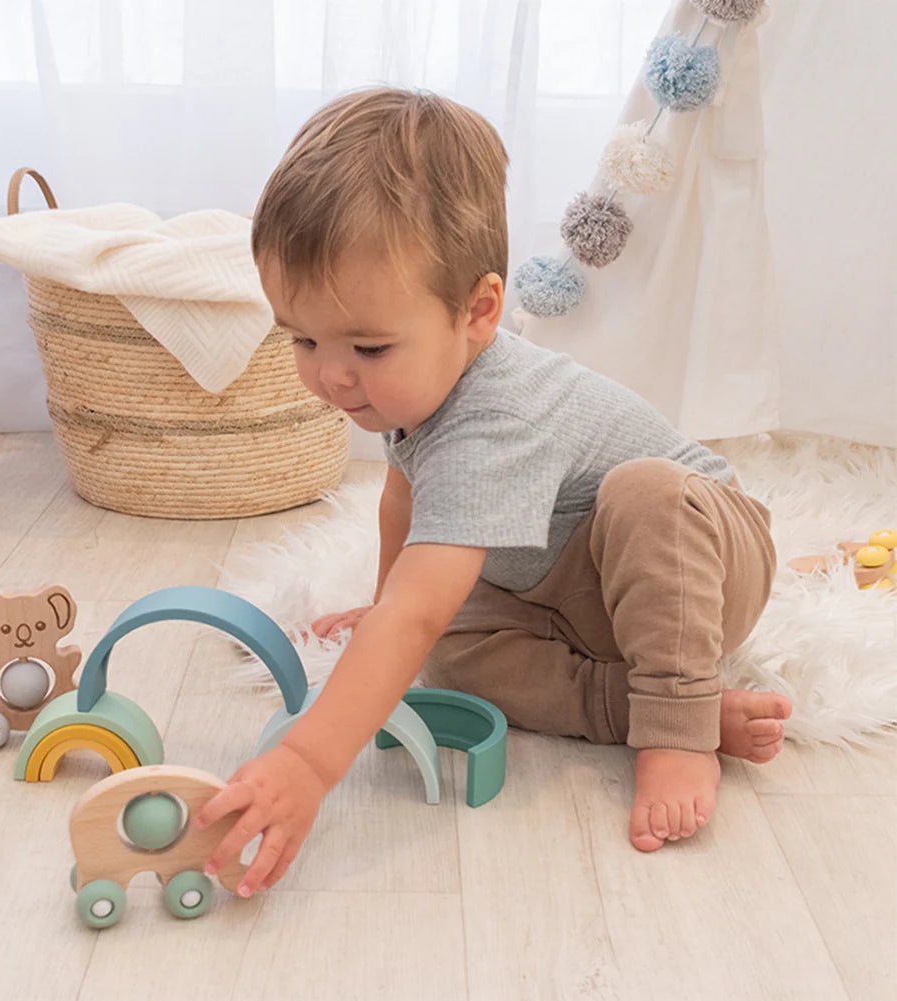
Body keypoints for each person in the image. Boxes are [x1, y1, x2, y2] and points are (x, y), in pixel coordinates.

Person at [196, 87, 792, 895]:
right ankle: (637, 703)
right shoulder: (406, 381)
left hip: (698, 565)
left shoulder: (494, 414)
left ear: (478, 311)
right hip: (567, 592)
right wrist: (385, 604)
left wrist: (305, 759)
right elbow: (403, 501)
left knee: (645, 496)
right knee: (452, 647)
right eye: (303, 338)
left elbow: (421, 598)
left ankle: (678, 725)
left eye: (366, 345)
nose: (332, 374)